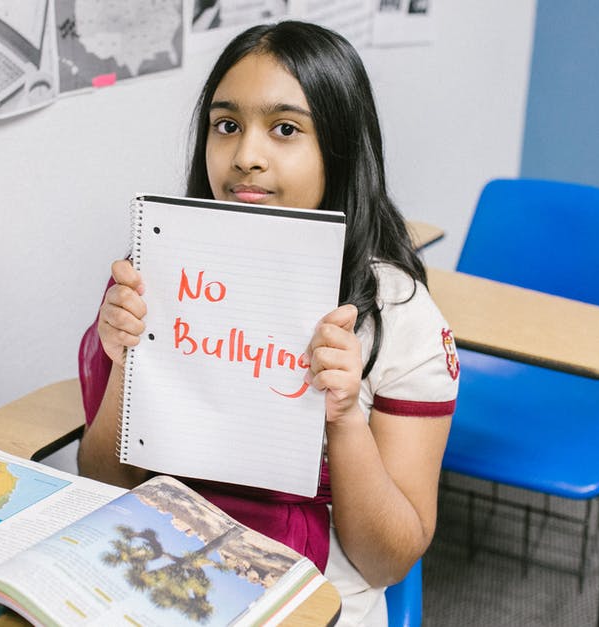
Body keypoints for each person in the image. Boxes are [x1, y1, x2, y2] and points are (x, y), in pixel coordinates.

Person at [77, 21, 458, 626]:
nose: (247, 156)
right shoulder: (157, 271)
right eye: (226, 125)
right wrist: (128, 363)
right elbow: (103, 482)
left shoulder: (400, 316)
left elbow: (388, 561)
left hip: (314, 598)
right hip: (159, 566)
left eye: (285, 129)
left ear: (339, 147)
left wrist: (344, 421)